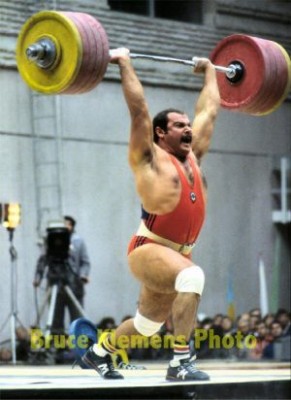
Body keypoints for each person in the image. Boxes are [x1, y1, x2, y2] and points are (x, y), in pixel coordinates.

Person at [82, 48, 220, 381]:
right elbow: (139, 110)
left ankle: (98, 353)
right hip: (148, 248)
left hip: (178, 253)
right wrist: (124, 62)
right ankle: (179, 363)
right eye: (178, 125)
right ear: (160, 132)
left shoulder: (193, 158)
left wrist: (211, 71)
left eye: (188, 125)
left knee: (146, 327)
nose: (188, 129)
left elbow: (210, 110)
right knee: (192, 277)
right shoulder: (150, 157)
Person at [33, 216, 91, 334]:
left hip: (74, 285)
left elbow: (85, 262)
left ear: (72, 226)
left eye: (68, 224)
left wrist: (83, 275)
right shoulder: (49, 241)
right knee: (55, 319)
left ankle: (79, 346)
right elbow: (42, 261)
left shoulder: (78, 241)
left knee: (77, 318)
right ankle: (57, 346)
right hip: (55, 285)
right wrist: (37, 278)